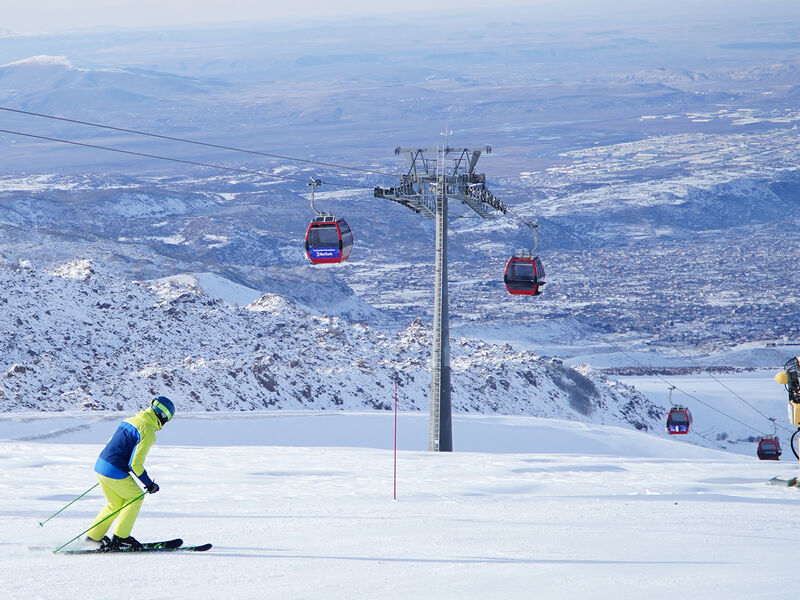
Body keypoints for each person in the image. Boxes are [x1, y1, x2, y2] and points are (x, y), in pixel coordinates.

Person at [85, 396, 175, 551]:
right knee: (136, 497)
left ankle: (93, 537)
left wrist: (109, 466)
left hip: (101, 465)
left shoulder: (131, 420)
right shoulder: (147, 430)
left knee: (115, 504)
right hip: (114, 470)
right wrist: (149, 484)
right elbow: (135, 464)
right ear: (163, 416)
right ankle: (121, 538)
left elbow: (112, 443)